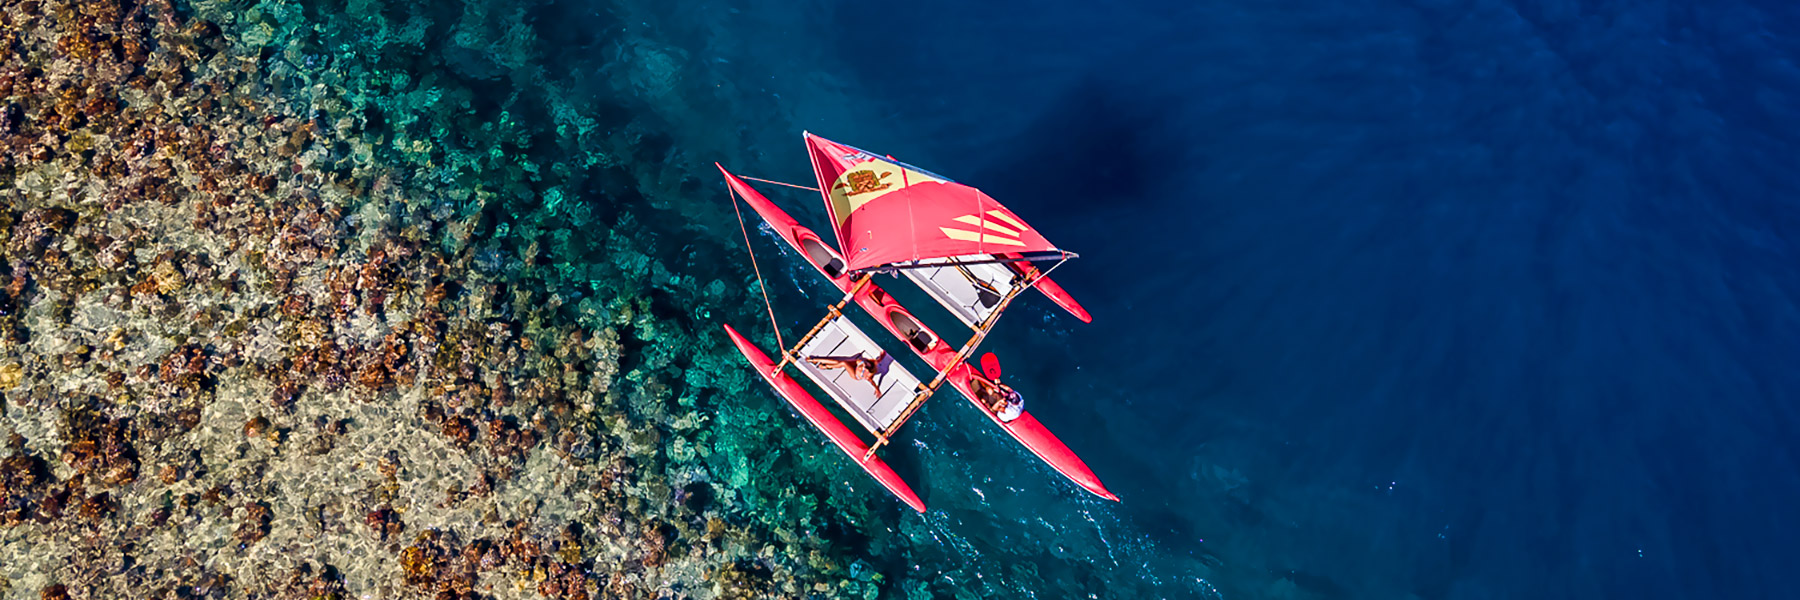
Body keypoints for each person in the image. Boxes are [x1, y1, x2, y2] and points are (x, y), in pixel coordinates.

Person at [807, 353, 885, 396]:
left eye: (865, 367)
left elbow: (872, 382)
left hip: (855, 374)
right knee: (839, 362)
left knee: (843, 363)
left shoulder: (868, 375)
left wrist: (877, 389)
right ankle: (817, 360)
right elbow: (879, 359)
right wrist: (883, 354)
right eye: (865, 364)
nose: (864, 366)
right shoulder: (867, 362)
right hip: (856, 365)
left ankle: (825, 366)